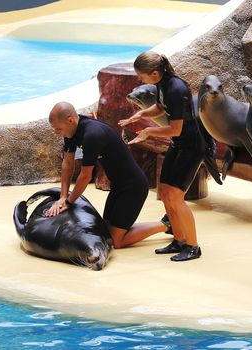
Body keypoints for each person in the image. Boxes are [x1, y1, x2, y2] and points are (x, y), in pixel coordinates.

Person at [45, 101, 169, 248]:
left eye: (58, 129)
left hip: (133, 187)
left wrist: (69, 202)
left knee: (116, 241)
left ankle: (166, 224)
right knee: (106, 231)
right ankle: (163, 224)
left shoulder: (91, 134)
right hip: (118, 186)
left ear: (70, 120)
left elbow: (85, 176)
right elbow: (67, 162)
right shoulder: (72, 131)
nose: (57, 133)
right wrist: (63, 196)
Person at [118, 51, 204, 261]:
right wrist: (141, 114)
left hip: (191, 145)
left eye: (142, 76)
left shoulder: (175, 88)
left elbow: (174, 129)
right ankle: (179, 239)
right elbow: (160, 107)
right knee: (165, 191)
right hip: (179, 143)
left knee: (175, 196)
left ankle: (192, 246)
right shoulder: (163, 84)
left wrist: (148, 132)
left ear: (154, 73)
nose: (140, 80)